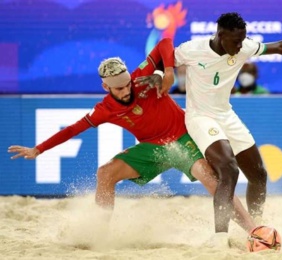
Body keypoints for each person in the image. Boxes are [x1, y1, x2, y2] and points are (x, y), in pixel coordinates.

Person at [139, 12, 282, 244]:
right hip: (200, 118)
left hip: (226, 115)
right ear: (220, 35)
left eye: (243, 40)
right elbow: (163, 58)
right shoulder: (192, 49)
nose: (241, 45)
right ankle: (219, 237)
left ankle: (254, 232)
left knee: (259, 174)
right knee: (229, 169)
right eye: (236, 40)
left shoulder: (242, 47)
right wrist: (160, 74)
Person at [7, 38, 256, 237]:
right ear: (106, 87)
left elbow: (165, 42)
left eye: (127, 84)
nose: (127, 91)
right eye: (119, 88)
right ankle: (99, 234)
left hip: (183, 138)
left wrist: (168, 72)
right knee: (105, 174)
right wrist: (38, 149)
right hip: (152, 148)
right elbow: (72, 130)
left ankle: (253, 230)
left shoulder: (141, 79)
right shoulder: (104, 109)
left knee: (213, 182)